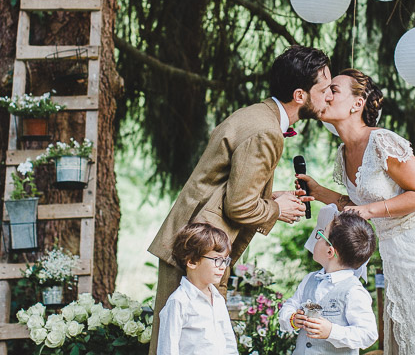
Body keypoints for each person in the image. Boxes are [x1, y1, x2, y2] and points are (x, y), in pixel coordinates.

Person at [148, 45, 332, 355]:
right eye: (325, 89)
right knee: (189, 343)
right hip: (199, 250)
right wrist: (278, 209)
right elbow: (238, 205)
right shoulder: (266, 131)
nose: (329, 96)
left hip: (199, 241)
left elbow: (227, 186)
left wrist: (271, 195)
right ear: (300, 95)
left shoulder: (256, 115)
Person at [296, 69, 415, 355]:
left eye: (334, 90)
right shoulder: (343, 152)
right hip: (396, 260)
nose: (325, 94)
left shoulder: (382, 142)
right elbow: (361, 204)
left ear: (357, 104)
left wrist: (370, 210)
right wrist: (323, 192)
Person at [279, 211, 378, 354]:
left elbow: (368, 334)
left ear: (330, 252)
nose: (316, 238)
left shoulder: (353, 292)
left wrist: (332, 331)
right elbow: (290, 304)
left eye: (320, 234)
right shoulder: (310, 279)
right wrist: (292, 318)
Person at [157, 223, 238, 355]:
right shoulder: (179, 302)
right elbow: (168, 349)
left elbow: (229, 344)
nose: (223, 266)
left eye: (225, 260)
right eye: (217, 260)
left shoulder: (217, 299)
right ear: (192, 262)